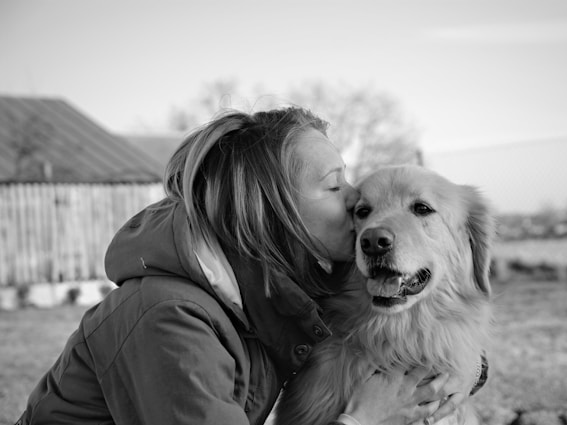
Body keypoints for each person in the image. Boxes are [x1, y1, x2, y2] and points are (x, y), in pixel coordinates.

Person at [17, 106, 486, 425]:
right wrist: (362, 418)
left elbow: (398, 336)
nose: (356, 202)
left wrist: (468, 370)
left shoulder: (274, 288)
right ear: (270, 209)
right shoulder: (169, 318)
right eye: (334, 185)